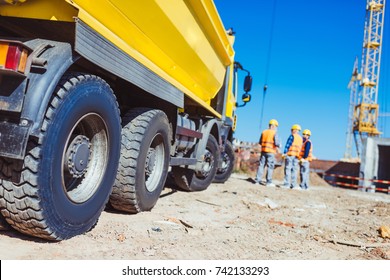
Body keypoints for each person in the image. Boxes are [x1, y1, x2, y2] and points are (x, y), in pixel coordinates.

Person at [254, 119, 281, 187]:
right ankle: (268, 182)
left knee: (261, 165)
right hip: (271, 152)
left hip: (263, 151)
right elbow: (277, 143)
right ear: (273, 126)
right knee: (270, 166)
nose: (276, 128)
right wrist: (279, 145)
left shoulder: (264, 132)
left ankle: (257, 180)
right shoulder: (274, 133)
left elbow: (260, 142)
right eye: (276, 126)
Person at [281, 124, 303, 189]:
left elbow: (288, 145)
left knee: (288, 169)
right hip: (296, 156)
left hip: (290, 155)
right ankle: (293, 185)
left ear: (294, 130)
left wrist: (284, 153)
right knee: (294, 170)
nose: (291, 131)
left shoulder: (292, 136)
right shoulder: (300, 138)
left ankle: (286, 184)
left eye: (292, 130)